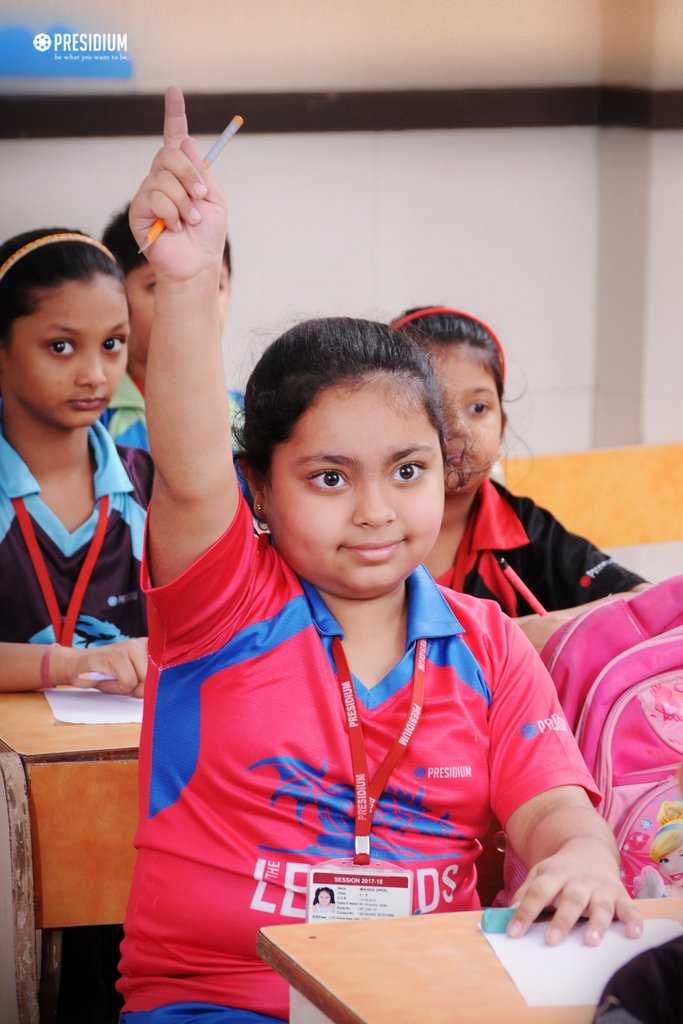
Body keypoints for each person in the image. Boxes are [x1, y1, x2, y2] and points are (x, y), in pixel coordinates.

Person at [117, 87, 642, 1024]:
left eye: (405, 470)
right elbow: (189, 470)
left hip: (427, 1000)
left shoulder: (487, 646)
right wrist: (186, 285)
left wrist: (581, 854)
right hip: (224, 1005)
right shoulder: (221, 602)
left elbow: (551, 808)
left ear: (443, 468)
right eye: (327, 478)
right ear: (262, 489)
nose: (372, 511)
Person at [390, 306, 649, 651]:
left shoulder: (523, 528)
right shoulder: (370, 520)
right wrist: (507, 638)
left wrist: (548, 626)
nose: (458, 429)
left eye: (478, 407)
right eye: (434, 405)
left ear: (502, 430)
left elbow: (646, 602)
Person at [0, 228, 152, 694]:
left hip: (126, 763)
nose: (94, 375)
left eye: (112, 344)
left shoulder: (152, 484)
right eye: (61, 346)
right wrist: (71, 665)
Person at [99, 203, 240, 451]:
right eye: (158, 284)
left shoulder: (247, 419)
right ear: (115, 296)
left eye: (213, 285)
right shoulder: (91, 418)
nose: (191, 301)